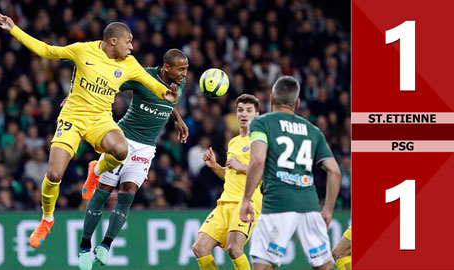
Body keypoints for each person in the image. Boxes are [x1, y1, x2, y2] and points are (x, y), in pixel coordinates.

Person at [0, 13, 178, 249]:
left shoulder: (129, 64)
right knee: (54, 175)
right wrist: (13, 29)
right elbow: (47, 51)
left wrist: (165, 94)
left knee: (121, 150)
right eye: (128, 41)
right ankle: (47, 219)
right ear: (113, 41)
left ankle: (97, 169)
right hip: (72, 117)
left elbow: (149, 82)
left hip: (100, 120)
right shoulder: (83, 51)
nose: (132, 47)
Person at [78, 49, 189, 270]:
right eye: (181, 69)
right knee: (103, 192)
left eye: (186, 69)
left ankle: (106, 245)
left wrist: (178, 119)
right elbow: (110, 84)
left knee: (127, 194)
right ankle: (83, 246)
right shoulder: (142, 76)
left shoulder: (179, 82)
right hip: (122, 139)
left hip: (146, 148)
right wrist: (81, 98)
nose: (185, 74)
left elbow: (168, 102)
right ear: (166, 67)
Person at [240, 76, 341, 270]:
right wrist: (327, 210)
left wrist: (246, 199)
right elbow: (334, 171)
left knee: (263, 265)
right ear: (297, 103)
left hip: (277, 205)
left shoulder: (261, 123)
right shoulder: (313, 131)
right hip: (310, 206)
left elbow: (258, 159)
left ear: (271, 99)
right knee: (325, 266)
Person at [192, 94, 262, 270]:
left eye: (249, 110)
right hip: (225, 202)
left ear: (257, 114)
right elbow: (230, 176)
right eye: (240, 110)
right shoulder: (233, 142)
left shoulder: (260, 140)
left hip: (247, 201)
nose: (244, 114)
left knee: (234, 248)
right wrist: (215, 166)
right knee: (200, 248)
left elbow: (266, 173)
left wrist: (242, 166)